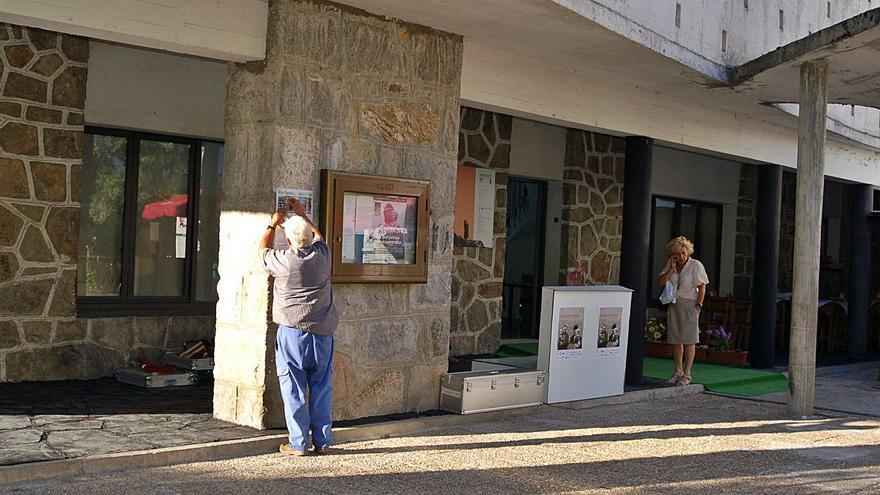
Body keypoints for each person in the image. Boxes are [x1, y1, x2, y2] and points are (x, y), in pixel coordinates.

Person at [260, 198, 338, 456]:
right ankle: (323, 441)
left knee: (293, 386)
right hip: (323, 333)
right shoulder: (322, 255)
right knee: (322, 386)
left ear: (290, 241)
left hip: (292, 332)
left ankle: (298, 443)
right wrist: (303, 216)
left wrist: (272, 226)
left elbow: (262, 251)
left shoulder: (284, 261)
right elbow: (319, 236)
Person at [658, 236, 708, 387]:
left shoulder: (695, 265)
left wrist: (699, 305)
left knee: (689, 340)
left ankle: (687, 374)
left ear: (688, 252)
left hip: (689, 304)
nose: (681, 257)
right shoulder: (671, 264)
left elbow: (702, 286)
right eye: (678, 254)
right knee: (676, 340)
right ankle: (677, 371)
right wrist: (672, 268)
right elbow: (661, 282)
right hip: (674, 304)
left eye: (684, 253)